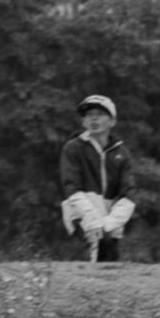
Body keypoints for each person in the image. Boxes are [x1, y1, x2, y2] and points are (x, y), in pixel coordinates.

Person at [59, 94, 136, 262]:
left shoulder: (122, 153)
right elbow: (72, 189)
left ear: (112, 121)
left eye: (99, 114)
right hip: (81, 216)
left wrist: (109, 223)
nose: (93, 118)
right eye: (89, 115)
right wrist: (93, 220)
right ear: (83, 122)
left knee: (109, 266)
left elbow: (128, 195)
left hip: (110, 222)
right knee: (83, 265)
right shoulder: (73, 148)